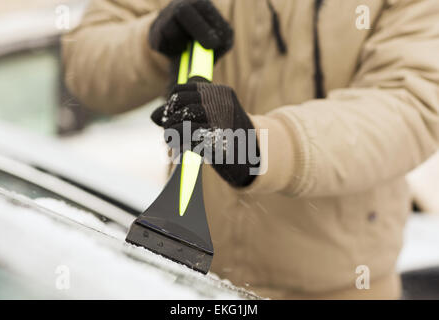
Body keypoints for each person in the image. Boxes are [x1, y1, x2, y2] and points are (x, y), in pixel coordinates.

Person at [62, 0, 439, 299]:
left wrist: (260, 147)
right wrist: (149, 42)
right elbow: (84, 68)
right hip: (191, 280)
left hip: (340, 289)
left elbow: (411, 103)